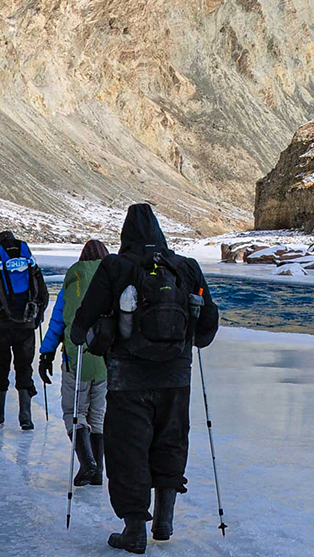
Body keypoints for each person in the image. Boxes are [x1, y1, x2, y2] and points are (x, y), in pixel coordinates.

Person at [69, 204, 219, 553]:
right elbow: (207, 329)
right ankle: (165, 520)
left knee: (128, 451)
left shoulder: (115, 266)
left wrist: (85, 337)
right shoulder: (186, 267)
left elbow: (82, 322)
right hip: (176, 376)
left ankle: (135, 528)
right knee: (170, 441)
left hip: (127, 377)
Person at [40, 239, 110, 485]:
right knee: (98, 415)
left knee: (75, 412)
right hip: (107, 359)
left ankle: (87, 463)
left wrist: (46, 353)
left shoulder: (73, 277)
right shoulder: (114, 276)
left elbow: (58, 320)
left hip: (77, 356)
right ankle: (98, 471)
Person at [0, 231, 49, 429]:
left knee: (0, 366)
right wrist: (36, 316)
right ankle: (25, 415)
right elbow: (44, 296)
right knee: (24, 367)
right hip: (26, 325)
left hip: (0, 326)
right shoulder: (30, 265)